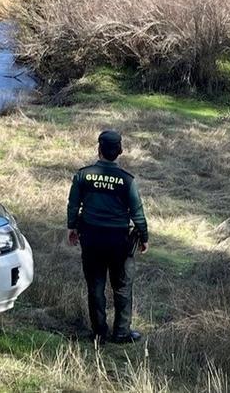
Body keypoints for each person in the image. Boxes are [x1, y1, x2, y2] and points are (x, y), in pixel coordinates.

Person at [66, 129, 148, 344]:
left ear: (99, 149)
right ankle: (121, 333)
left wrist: (72, 227)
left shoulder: (83, 175)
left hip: (91, 238)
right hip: (119, 241)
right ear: (120, 151)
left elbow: (73, 204)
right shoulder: (127, 180)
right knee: (122, 287)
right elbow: (137, 212)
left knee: (95, 287)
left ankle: (99, 333)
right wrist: (144, 237)